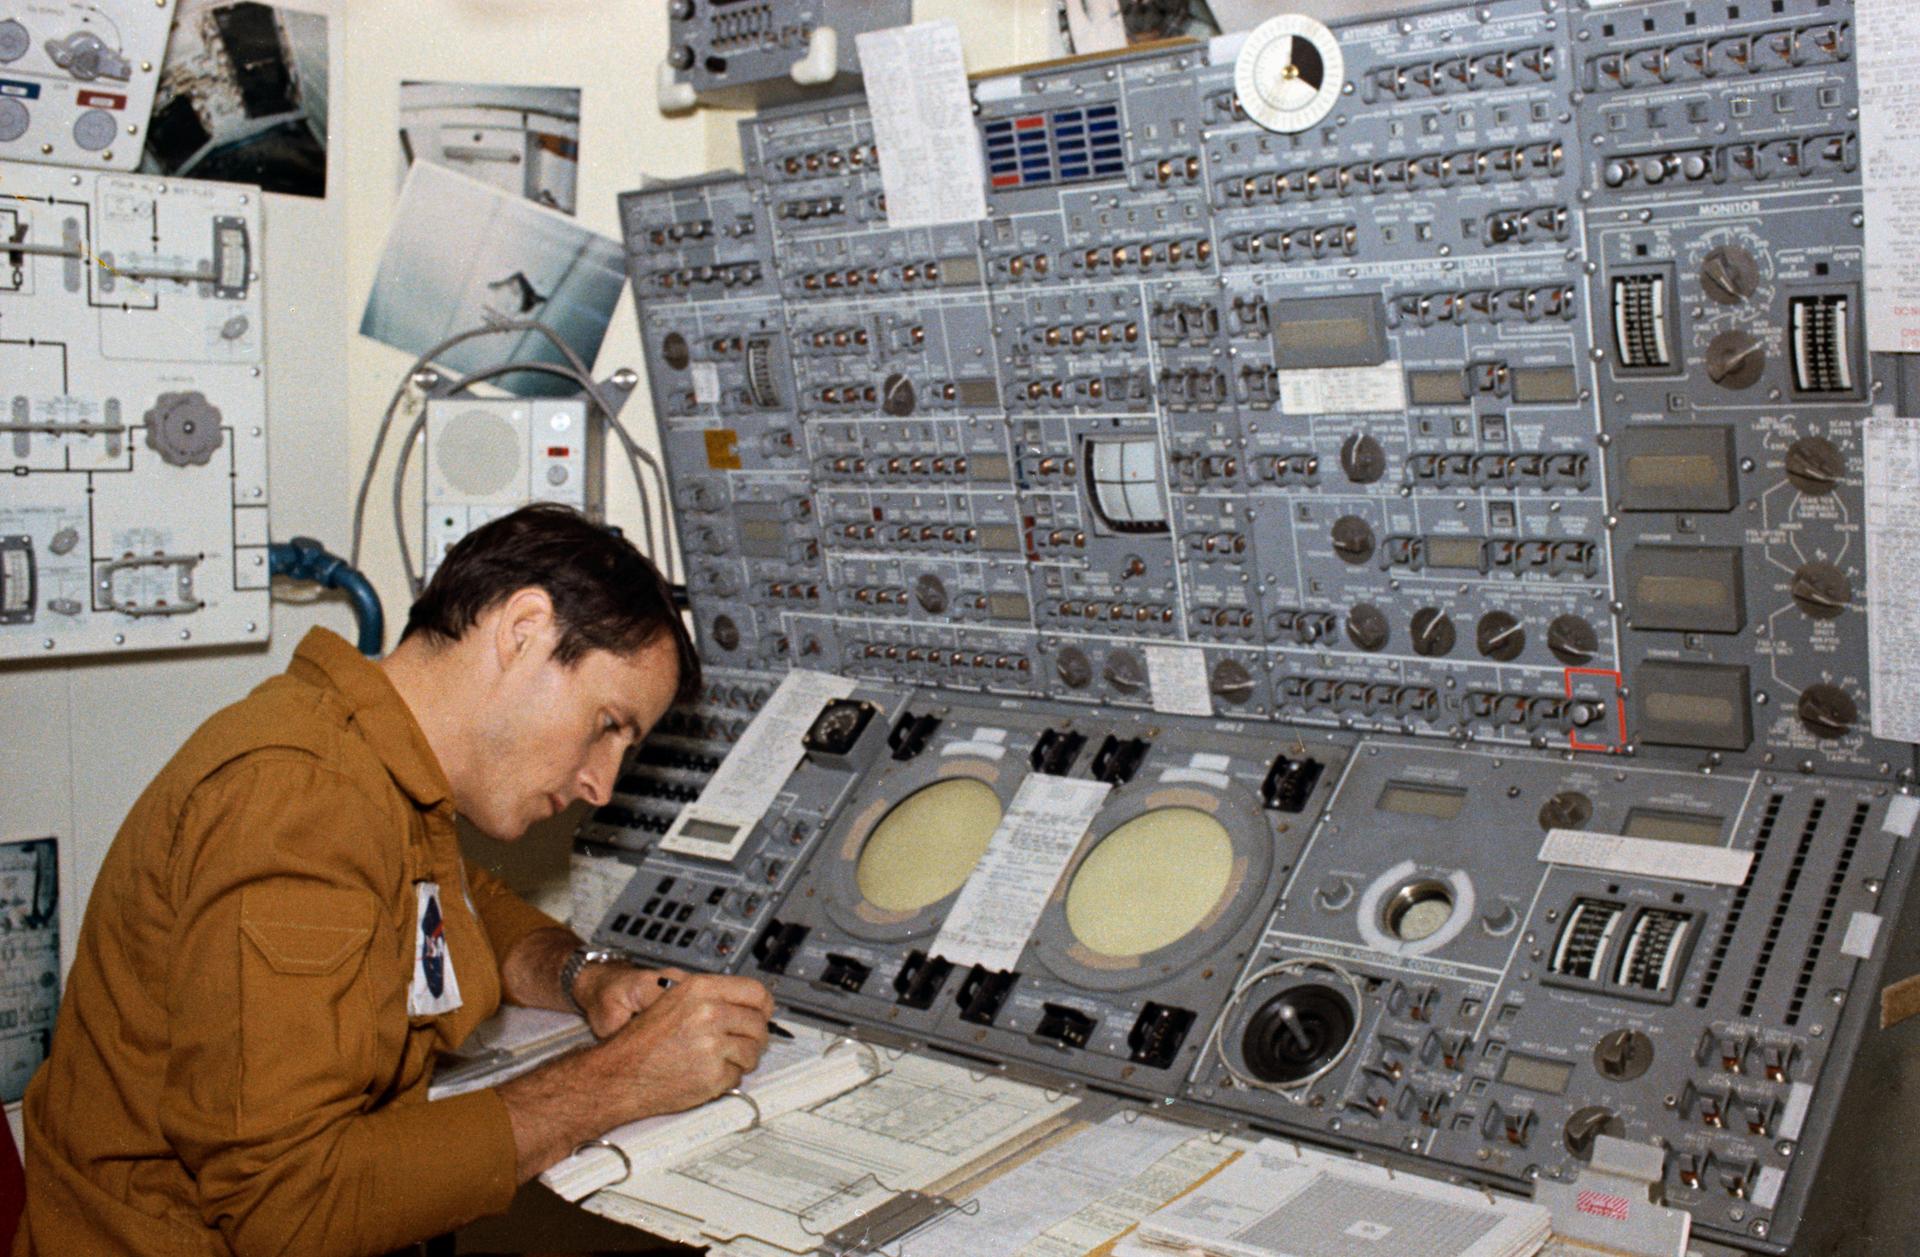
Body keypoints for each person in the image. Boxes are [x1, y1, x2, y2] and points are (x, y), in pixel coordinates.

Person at [16, 504, 773, 1256]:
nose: (601, 782)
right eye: (608, 723)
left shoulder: (367, 770)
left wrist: (585, 976)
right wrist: (617, 1081)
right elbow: (290, 1207)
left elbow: (465, 905)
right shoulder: (298, 800)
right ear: (523, 631)